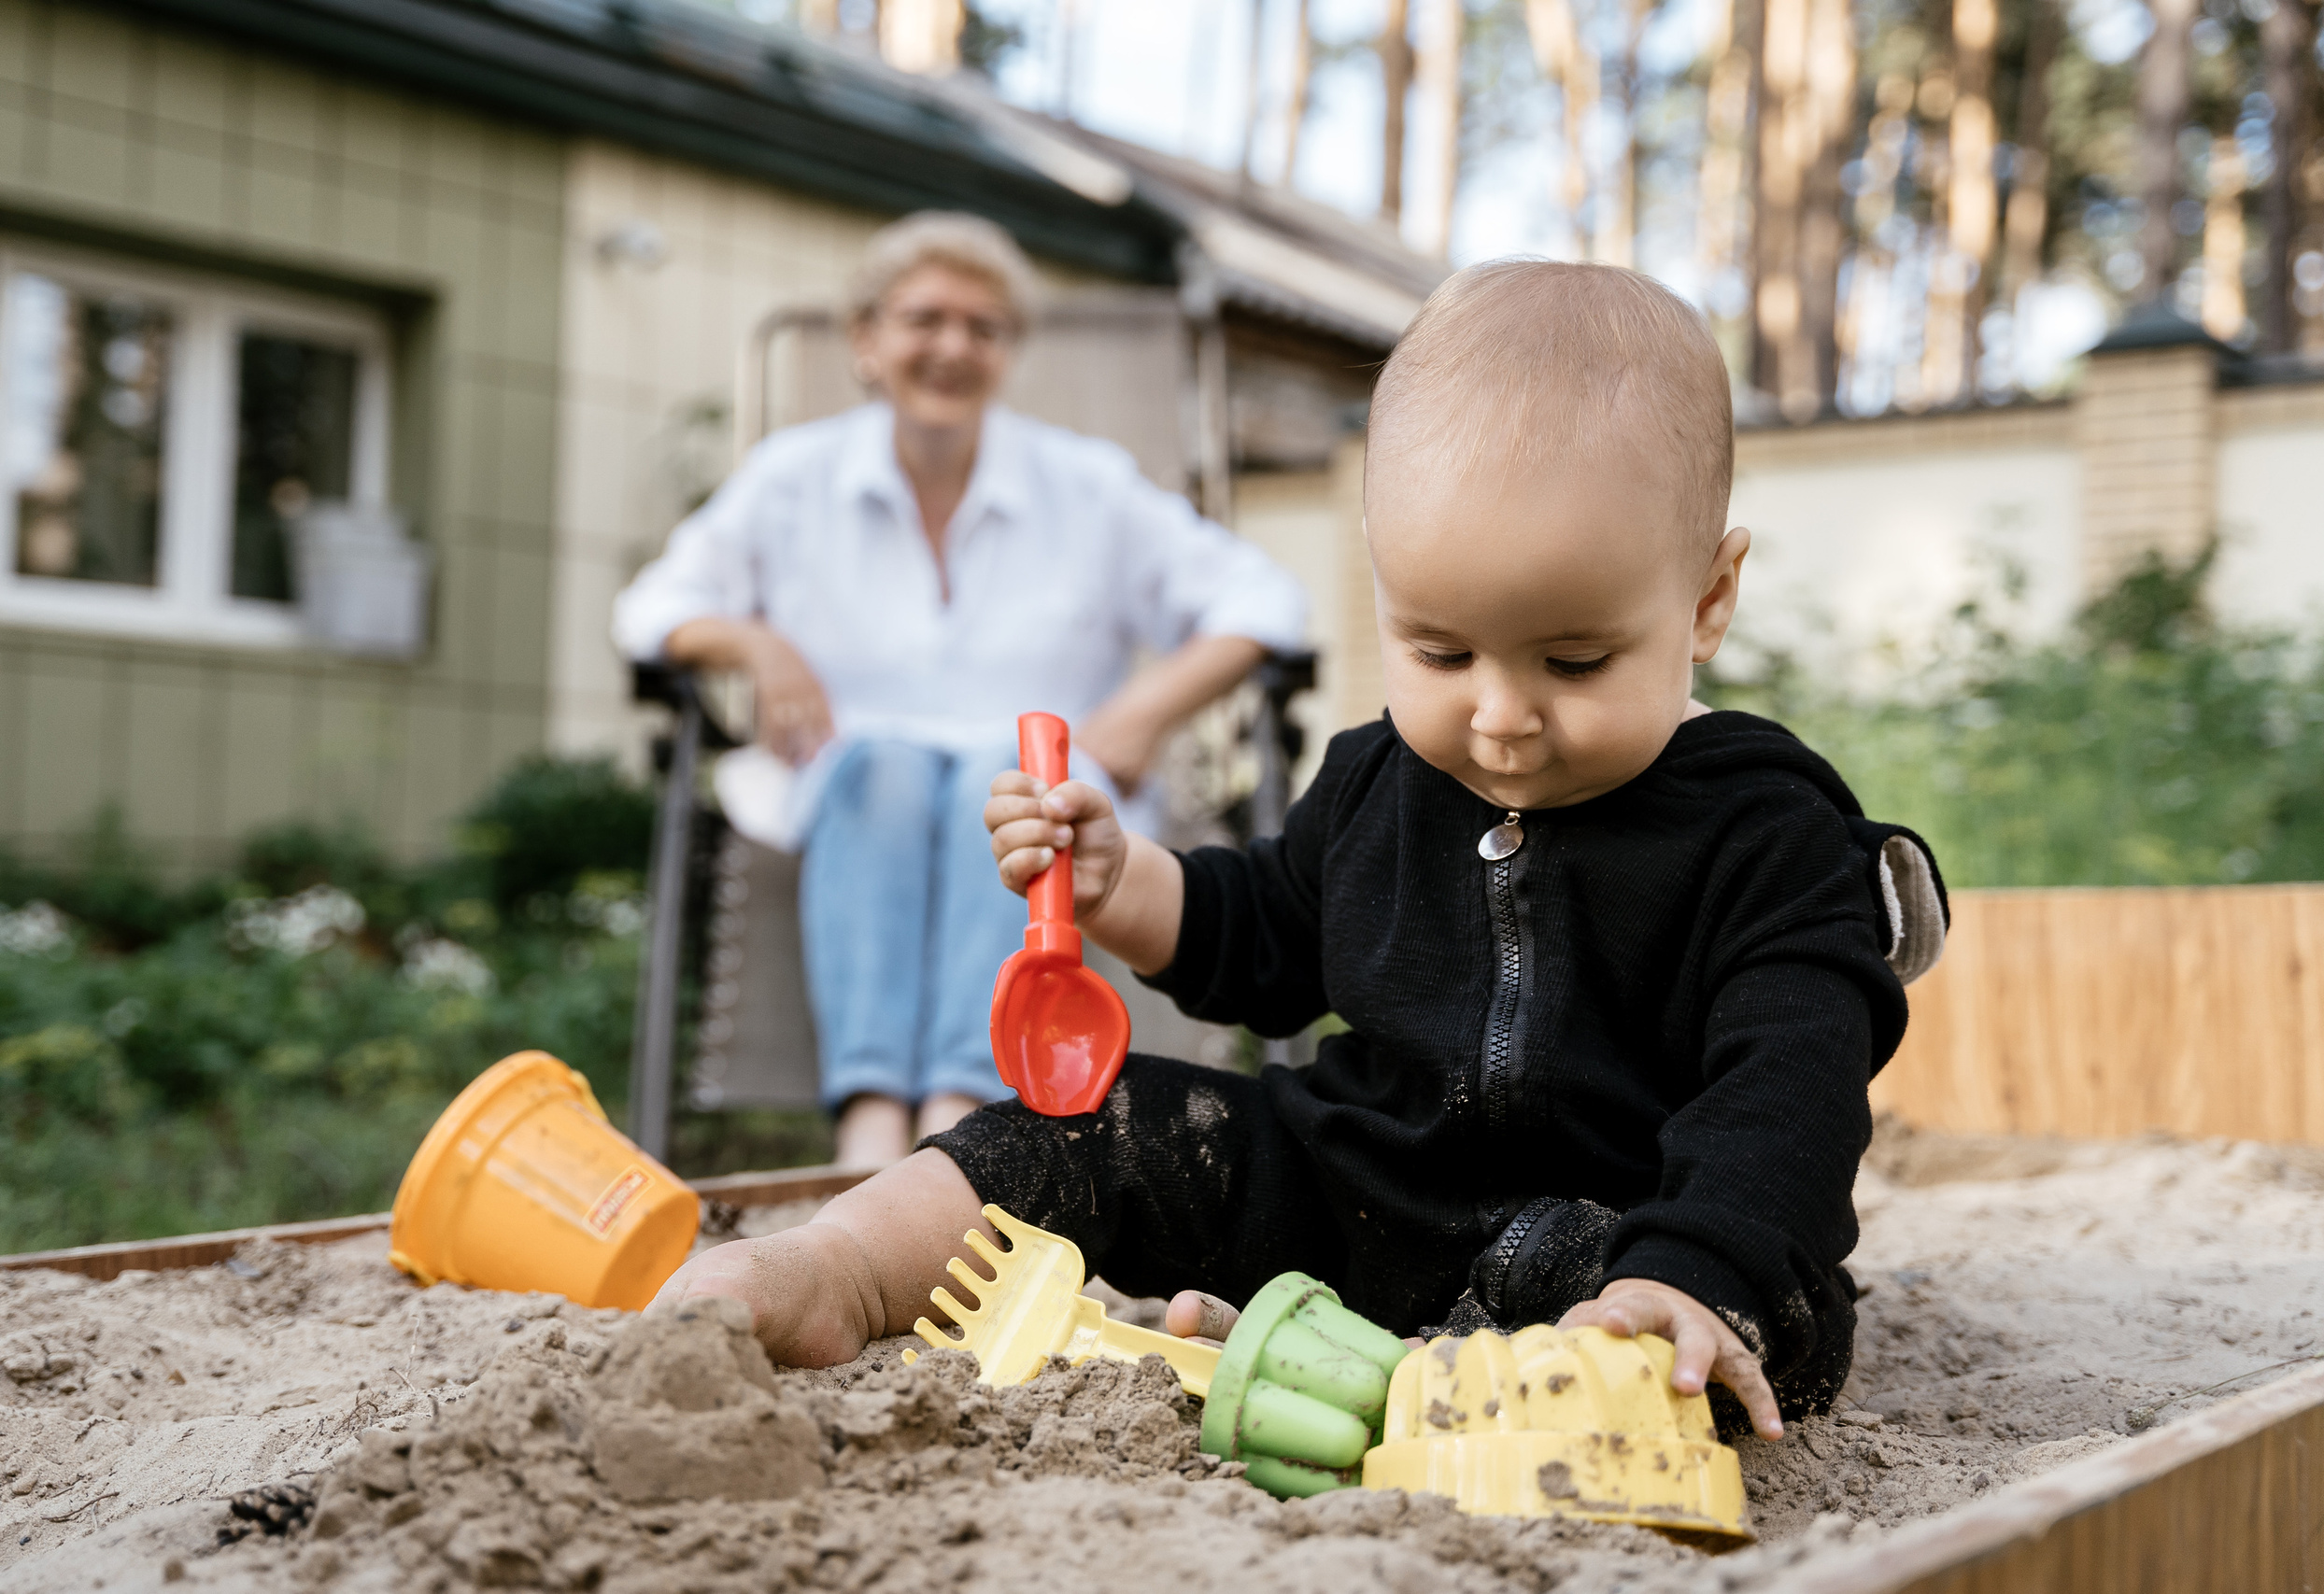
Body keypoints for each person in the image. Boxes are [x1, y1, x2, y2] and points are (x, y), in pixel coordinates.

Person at [644, 261, 1947, 1439]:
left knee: (1687, 1327)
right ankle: (843, 1269)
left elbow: (1793, 1082)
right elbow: (1261, 935)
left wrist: (1697, 1266)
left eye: (1574, 659)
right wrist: (1121, 882)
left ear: (1708, 598)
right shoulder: (1382, 770)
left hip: (1620, 1228)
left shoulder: (1768, 824)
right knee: (1086, 1121)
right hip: (1358, 1187)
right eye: (1439, 648)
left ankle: (1409, 1366)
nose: (1498, 713)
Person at [613, 213, 1307, 1168]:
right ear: (866, 341)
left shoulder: (1087, 486)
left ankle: (954, 1116)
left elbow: (1265, 598)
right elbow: (653, 606)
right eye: (924, 319)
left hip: (1044, 799)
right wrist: (753, 640)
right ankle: (869, 1128)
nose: (952, 347)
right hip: (853, 792)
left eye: (983, 327)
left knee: (1001, 777)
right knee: (883, 768)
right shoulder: (793, 480)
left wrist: (1151, 706)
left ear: (1007, 352)